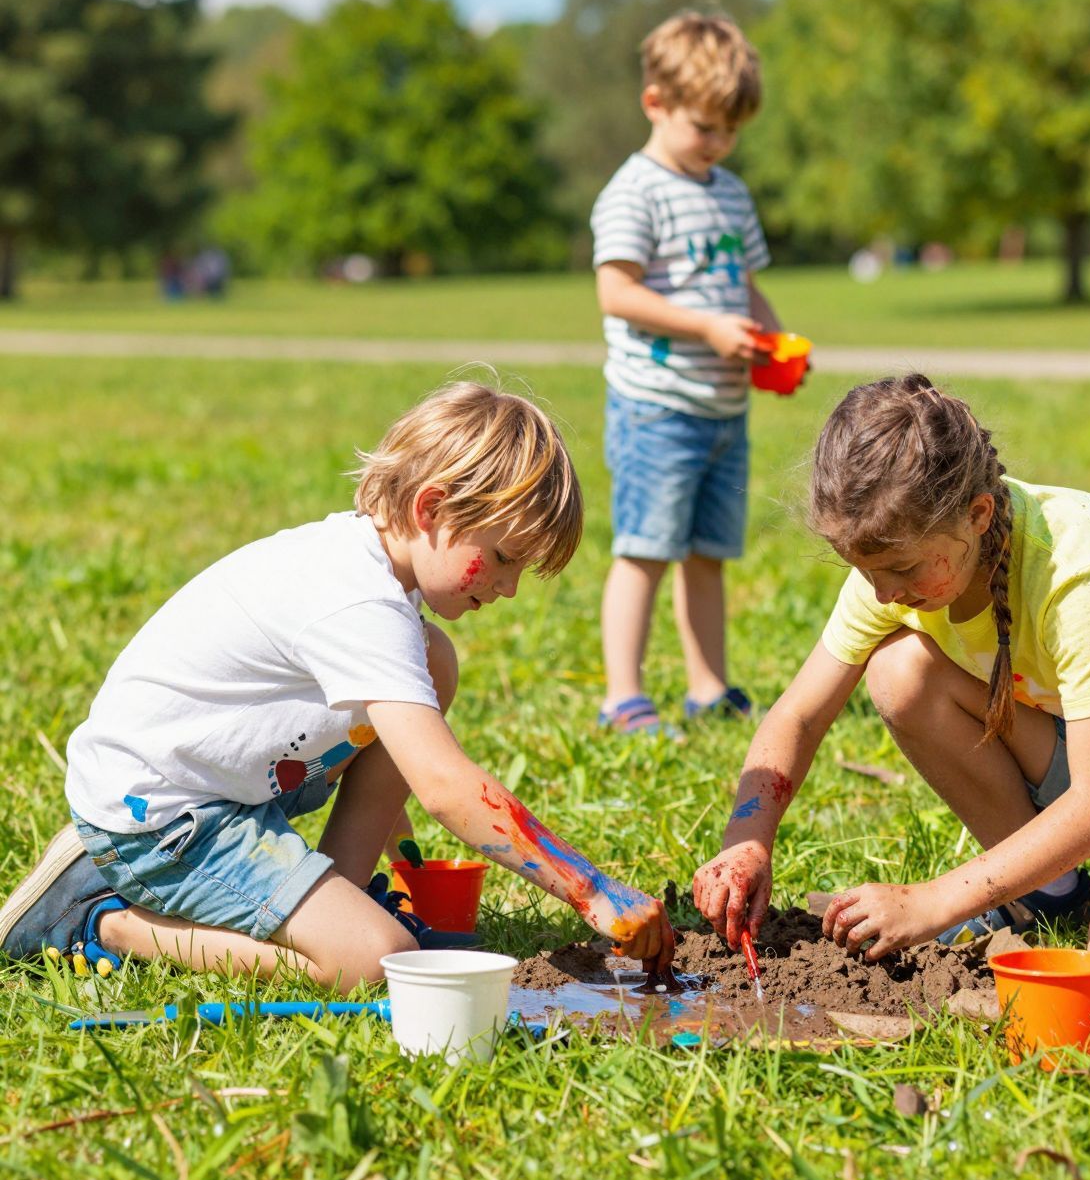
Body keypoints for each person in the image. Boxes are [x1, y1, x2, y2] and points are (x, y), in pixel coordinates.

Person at [1, 383, 674, 989]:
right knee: (375, 963)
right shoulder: (355, 603)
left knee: (433, 661)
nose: (508, 587)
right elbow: (445, 785)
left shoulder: (371, 573)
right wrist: (589, 888)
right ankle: (105, 918)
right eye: (501, 559)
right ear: (431, 507)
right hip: (163, 817)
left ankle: (342, 891)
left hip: (214, 792)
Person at [694, 373, 1090, 980]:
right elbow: (798, 716)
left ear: (979, 514)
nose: (883, 593)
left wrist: (934, 900)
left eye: (901, 568)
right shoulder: (897, 567)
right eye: (864, 570)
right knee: (901, 670)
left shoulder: (1082, 570)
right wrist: (747, 840)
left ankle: (1044, 888)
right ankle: (1045, 893)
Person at [590, 11, 784, 734]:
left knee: (708, 553)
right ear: (656, 103)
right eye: (705, 128)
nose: (719, 144)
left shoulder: (729, 191)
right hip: (657, 408)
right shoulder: (632, 192)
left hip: (723, 407)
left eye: (731, 132)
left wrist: (769, 334)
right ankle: (623, 697)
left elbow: (744, 283)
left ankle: (708, 685)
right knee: (646, 549)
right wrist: (705, 326)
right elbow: (618, 291)